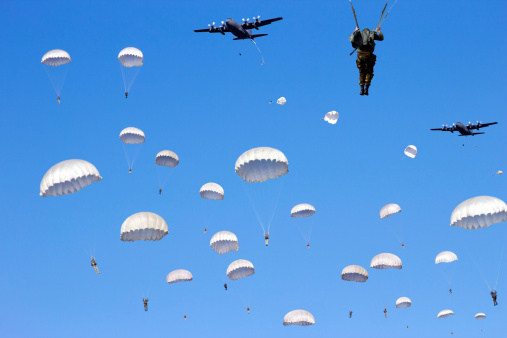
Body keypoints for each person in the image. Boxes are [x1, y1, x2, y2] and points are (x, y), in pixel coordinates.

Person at [349, 26, 384, 95]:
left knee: (361, 72)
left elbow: (351, 38)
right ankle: (366, 89)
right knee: (369, 72)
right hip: (368, 56)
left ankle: (361, 89)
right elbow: (381, 38)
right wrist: (379, 31)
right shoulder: (372, 34)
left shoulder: (359, 34)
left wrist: (355, 30)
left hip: (360, 56)